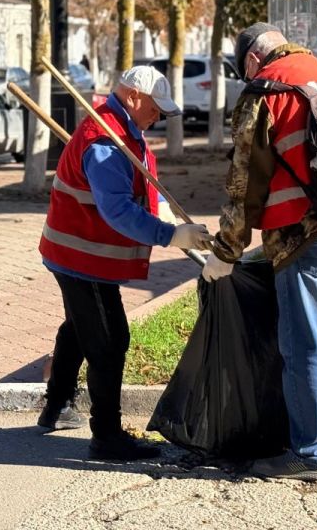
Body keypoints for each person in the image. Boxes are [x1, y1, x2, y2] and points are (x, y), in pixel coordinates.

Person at [202, 23, 317, 482]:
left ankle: (313, 453)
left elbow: (244, 183)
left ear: (253, 60)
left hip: (301, 235)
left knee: (305, 341)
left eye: (243, 70)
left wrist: (227, 250)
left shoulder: (265, 91)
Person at [38, 65, 212, 461]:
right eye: (155, 108)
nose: (159, 116)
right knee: (110, 340)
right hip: (83, 257)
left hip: (75, 252)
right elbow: (116, 208)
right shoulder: (105, 140)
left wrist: (164, 211)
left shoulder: (123, 129)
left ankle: (56, 406)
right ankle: (107, 436)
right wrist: (169, 234)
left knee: (81, 328)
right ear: (134, 96)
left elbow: (139, 183)